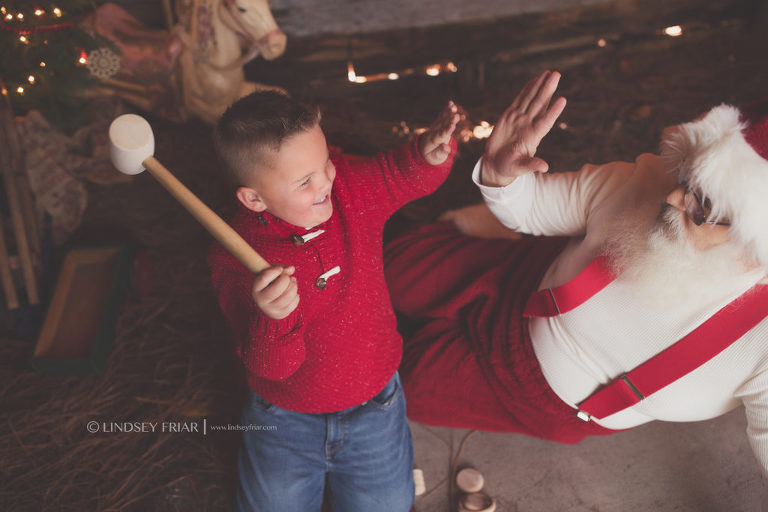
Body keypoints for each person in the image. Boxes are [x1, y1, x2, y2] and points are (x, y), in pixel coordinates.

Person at [384, 70, 768, 473]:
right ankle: (469, 237)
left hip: (532, 397)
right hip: (514, 280)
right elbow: (531, 205)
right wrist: (503, 177)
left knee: (400, 383)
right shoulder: (647, 181)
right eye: (688, 176)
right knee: (395, 266)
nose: (673, 196)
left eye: (703, 204)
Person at [207, 90, 459, 511]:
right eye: (304, 181)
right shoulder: (236, 258)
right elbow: (272, 367)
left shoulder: (349, 190)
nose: (325, 181)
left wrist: (428, 156)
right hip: (283, 416)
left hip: (374, 404)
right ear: (254, 198)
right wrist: (272, 317)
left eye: (324, 163)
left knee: (388, 505)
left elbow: (399, 175)